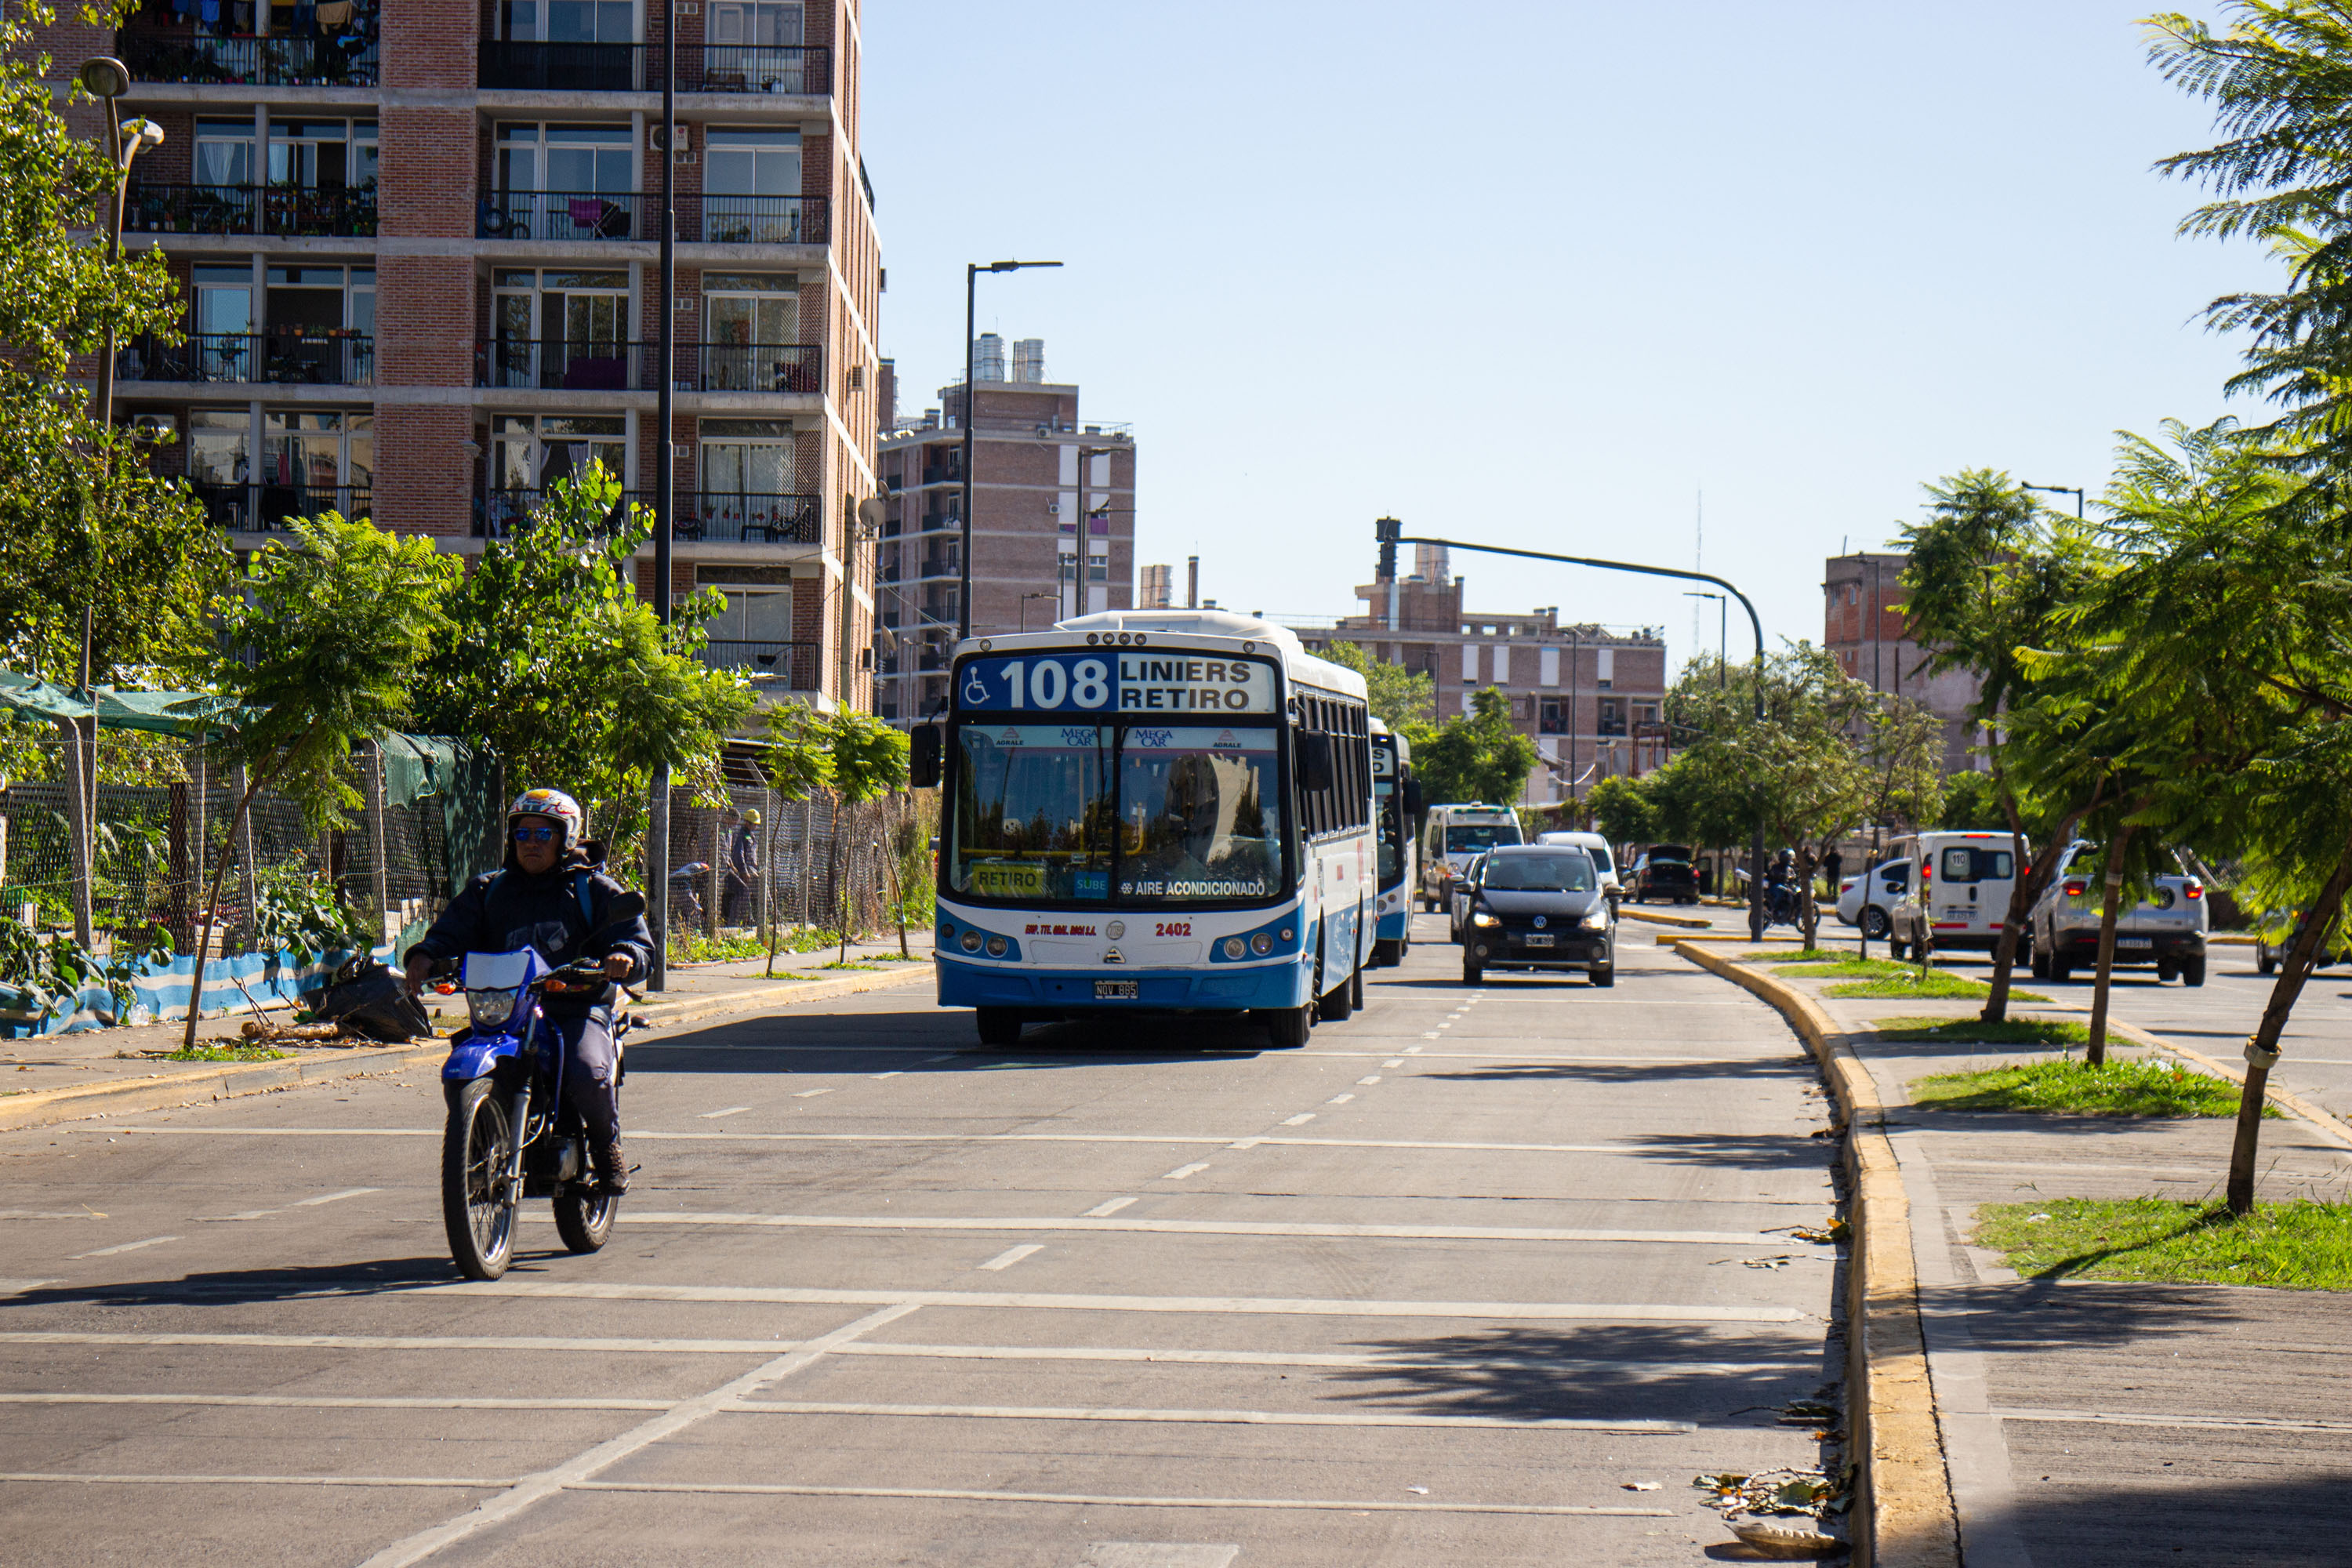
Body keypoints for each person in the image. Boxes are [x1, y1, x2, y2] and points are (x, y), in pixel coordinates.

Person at [401, 788, 650, 1193]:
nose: (531, 843)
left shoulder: (593, 890)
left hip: (574, 1008)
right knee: (459, 1071)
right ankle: (481, 1142)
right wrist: (426, 954)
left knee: (586, 1072)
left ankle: (608, 1149)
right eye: (522, 834)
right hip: (508, 1010)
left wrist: (624, 955)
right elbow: (452, 930)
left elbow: (635, 941)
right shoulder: (488, 890)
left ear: (566, 838)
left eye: (542, 835)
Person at [723, 808, 761, 924]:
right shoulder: (741, 835)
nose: (756, 827)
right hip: (743, 871)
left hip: (752, 869)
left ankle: (749, 919)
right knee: (742, 892)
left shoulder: (752, 837)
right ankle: (743, 920)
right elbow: (739, 855)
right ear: (748, 823)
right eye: (754, 824)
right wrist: (744, 872)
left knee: (745, 894)